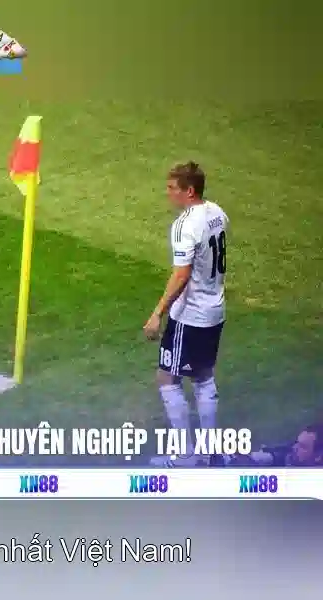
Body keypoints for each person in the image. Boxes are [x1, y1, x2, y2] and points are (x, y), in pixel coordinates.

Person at [144, 162, 229, 467]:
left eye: (172, 188)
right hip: (215, 310)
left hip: (191, 315)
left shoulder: (185, 225)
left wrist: (158, 313)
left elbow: (181, 274)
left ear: (189, 191)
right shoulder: (217, 213)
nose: (168, 193)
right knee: (204, 378)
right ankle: (210, 453)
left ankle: (185, 456)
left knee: (167, 378)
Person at [216, 423, 323, 467]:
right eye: (297, 443)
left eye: (303, 447)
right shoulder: (287, 455)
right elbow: (270, 457)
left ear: (318, 456)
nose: (295, 448)